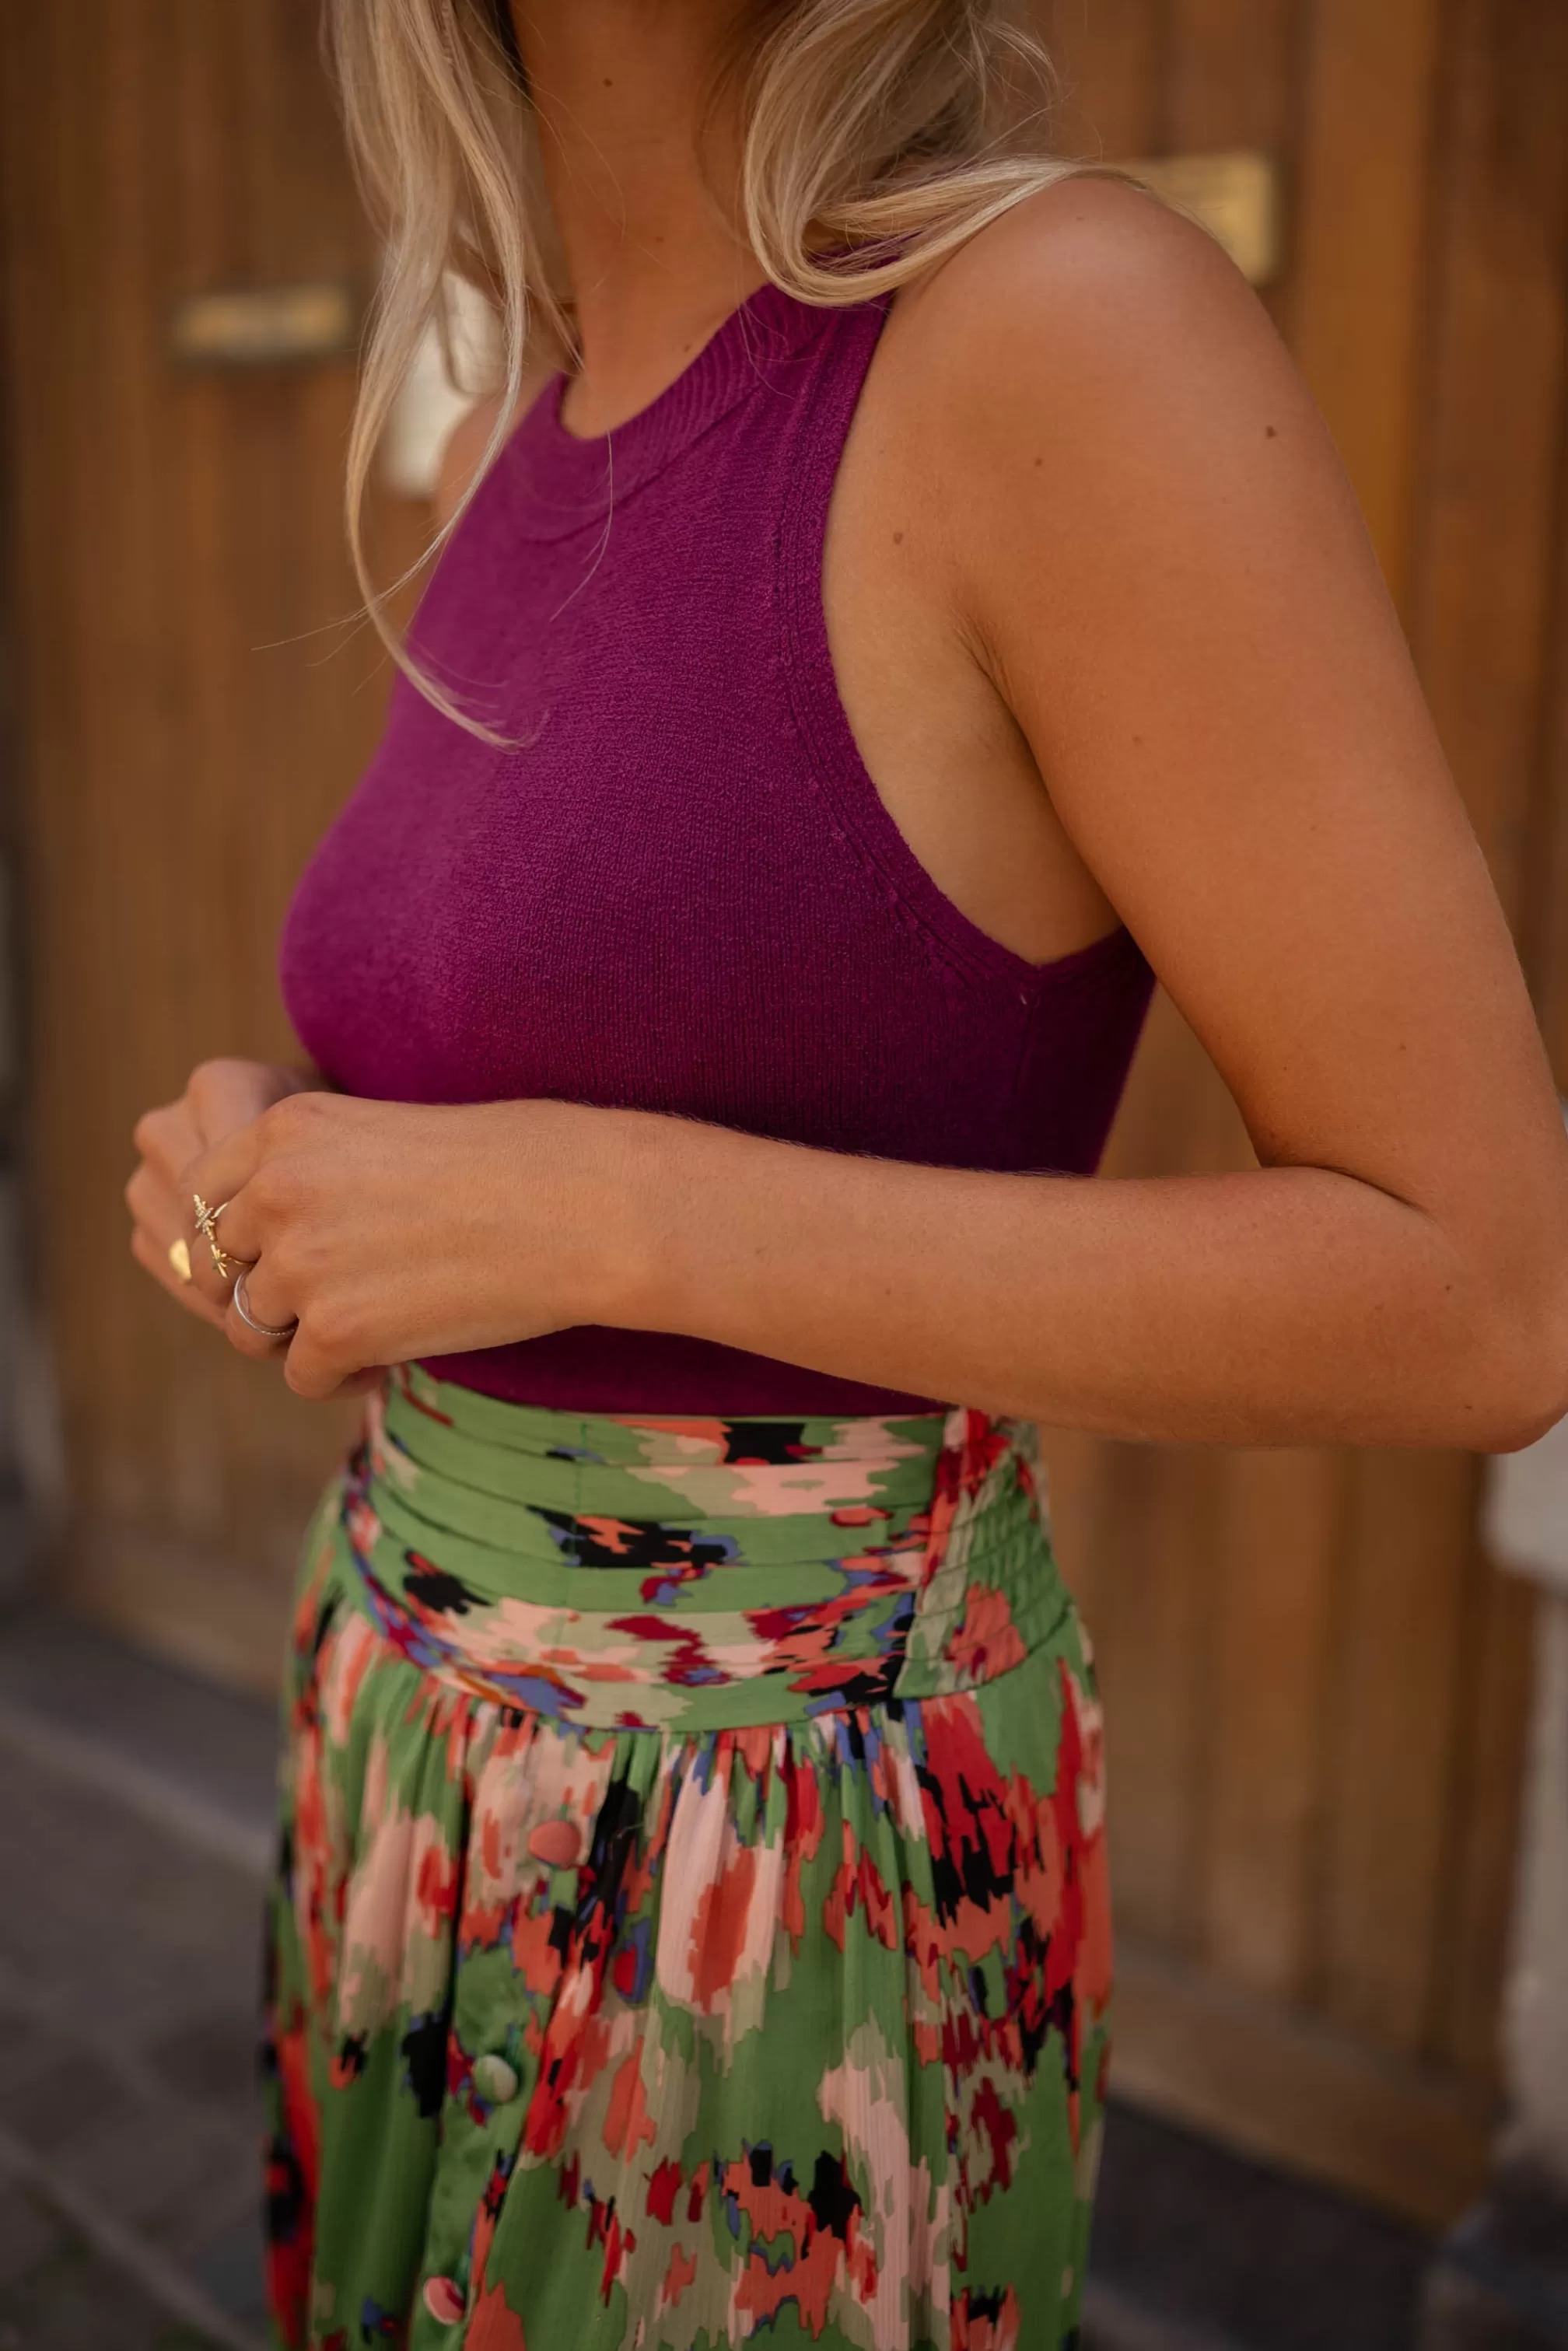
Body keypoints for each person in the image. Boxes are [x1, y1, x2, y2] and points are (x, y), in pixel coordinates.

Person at [124, 1, 1568, 2344]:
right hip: (402, 1738)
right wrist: (285, 1166)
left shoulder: (1059, 332)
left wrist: (613, 1209)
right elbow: (549, 1031)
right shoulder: (512, 421)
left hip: (769, 1855)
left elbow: (1482, 1293)